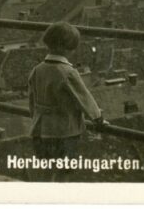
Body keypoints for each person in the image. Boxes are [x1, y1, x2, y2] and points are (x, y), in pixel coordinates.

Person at [28, 21, 104, 179]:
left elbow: (32, 100)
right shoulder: (67, 72)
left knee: (46, 171)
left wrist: (35, 118)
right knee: (63, 173)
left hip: (41, 130)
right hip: (64, 132)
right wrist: (97, 117)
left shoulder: (37, 70)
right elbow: (84, 97)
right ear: (65, 47)